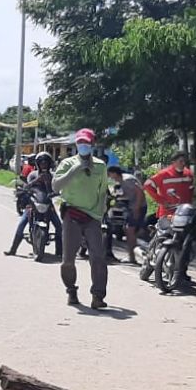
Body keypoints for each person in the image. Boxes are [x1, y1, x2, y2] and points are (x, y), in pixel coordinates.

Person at [53, 129, 110, 309]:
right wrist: (75, 169)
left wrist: (100, 214)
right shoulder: (67, 163)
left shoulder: (100, 166)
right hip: (72, 213)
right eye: (80, 143)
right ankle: (71, 290)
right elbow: (56, 186)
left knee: (98, 257)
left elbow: (103, 192)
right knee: (68, 259)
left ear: (92, 145)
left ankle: (98, 296)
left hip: (92, 216)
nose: (82, 146)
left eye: (86, 143)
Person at [5, 152, 62, 257]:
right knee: (21, 224)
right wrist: (38, 179)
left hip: (47, 203)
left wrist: (49, 183)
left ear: (49, 164)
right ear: (38, 164)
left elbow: (55, 189)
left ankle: (59, 252)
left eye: (46, 163)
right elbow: (27, 187)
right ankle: (13, 249)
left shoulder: (53, 176)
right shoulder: (32, 175)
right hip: (33, 203)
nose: (43, 165)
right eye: (41, 162)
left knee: (59, 226)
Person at [106, 167, 144, 264]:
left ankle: (136, 257)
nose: (109, 177)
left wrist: (137, 208)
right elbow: (127, 194)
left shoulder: (127, 180)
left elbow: (139, 192)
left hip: (137, 207)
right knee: (128, 231)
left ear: (114, 173)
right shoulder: (121, 181)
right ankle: (132, 256)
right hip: (131, 208)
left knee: (130, 231)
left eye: (110, 174)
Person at [145, 151, 195, 219]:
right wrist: (162, 201)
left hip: (184, 213)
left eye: (184, 161)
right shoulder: (164, 174)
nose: (183, 163)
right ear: (173, 162)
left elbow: (191, 192)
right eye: (181, 161)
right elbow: (147, 185)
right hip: (168, 213)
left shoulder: (188, 174)